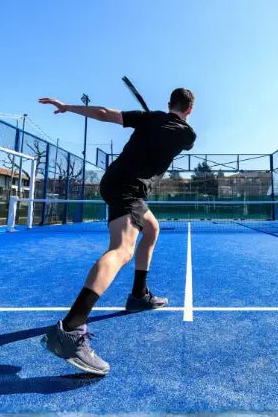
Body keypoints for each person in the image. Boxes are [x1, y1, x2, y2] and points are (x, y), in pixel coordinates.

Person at [35, 88, 197, 375]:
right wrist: (164, 122)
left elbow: (103, 113)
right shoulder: (187, 133)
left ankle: (138, 295)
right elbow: (181, 140)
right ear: (190, 109)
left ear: (169, 103)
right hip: (129, 188)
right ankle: (70, 329)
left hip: (116, 181)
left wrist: (68, 107)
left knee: (152, 229)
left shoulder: (150, 119)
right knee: (121, 250)